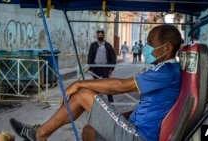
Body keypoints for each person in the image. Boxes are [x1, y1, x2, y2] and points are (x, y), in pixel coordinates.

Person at [9, 24, 182, 141]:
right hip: (135, 128)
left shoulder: (165, 71)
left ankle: (39, 134)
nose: (146, 47)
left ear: (166, 48)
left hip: (139, 136)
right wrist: (122, 116)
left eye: (150, 43)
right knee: (89, 131)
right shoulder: (166, 70)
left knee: (83, 94)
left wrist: (79, 83)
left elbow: (121, 86)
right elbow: (151, 107)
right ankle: (40, 132)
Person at [87, 29, 116, 102]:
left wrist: (111, 68)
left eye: (101, 35)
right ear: (97, 36)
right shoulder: (93, 45)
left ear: (103, 35)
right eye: (98, 35)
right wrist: (90, 67)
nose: (100, 36)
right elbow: (90, 56)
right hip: (96, 68)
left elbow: (113, 57)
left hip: (105, 68)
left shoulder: (108, 45)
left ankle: (111, 102)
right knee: (96, 86)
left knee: (107, 85)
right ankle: (96, 102)